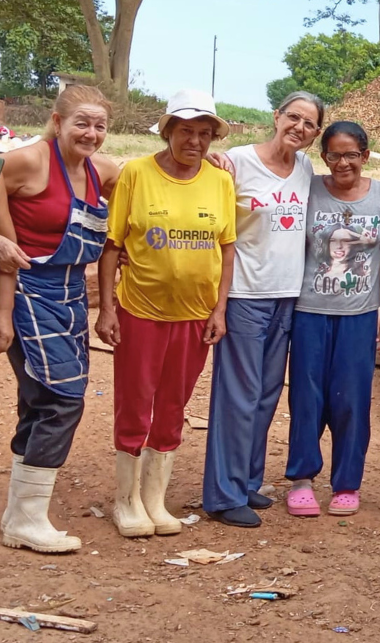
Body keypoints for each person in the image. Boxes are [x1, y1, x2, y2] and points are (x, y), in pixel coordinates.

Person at [96, 90, 236, 538]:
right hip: (140, 311)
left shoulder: (220, 181)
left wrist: (220, 309)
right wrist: (107, 308)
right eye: (185, 131)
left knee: (173, 406)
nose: (194, 141)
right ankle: (126, 500)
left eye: (204, 133)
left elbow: (227, 249)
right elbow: (112, 247)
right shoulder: (135, 173)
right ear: (167, 131)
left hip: (195, 316)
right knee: (135, 403)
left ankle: (154, 498)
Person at [0, 85, 119, 553]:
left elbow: (150, 182)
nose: (91, 133)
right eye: (81, 124)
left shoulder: (103, 171)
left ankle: (17, 514)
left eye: (100, 126)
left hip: (71, 297)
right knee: (62, 400)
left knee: (38, 399)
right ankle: (27, 518)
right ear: (57, 121)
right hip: (25, 293)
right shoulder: (26, 161)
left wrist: (212, 161)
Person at [202, 91, 324, 527]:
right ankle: (222, 494)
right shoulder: (236, 162)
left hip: (288, 296)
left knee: (266, 395)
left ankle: (248, 480)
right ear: (277, 116)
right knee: (238, 396)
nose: (299, 128)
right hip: (243, 296)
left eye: (310, 124)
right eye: (294, 117)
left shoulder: (306, 168)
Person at [285, 121, 380, 517]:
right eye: (334, 154)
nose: (343, 162)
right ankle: (302, 479)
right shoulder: (310, 188)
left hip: (359, 315)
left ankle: (347, 484)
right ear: (324, 157)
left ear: (365, 156)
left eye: (352, 154)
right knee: (306, 396)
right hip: (308, 312)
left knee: (352, 399)